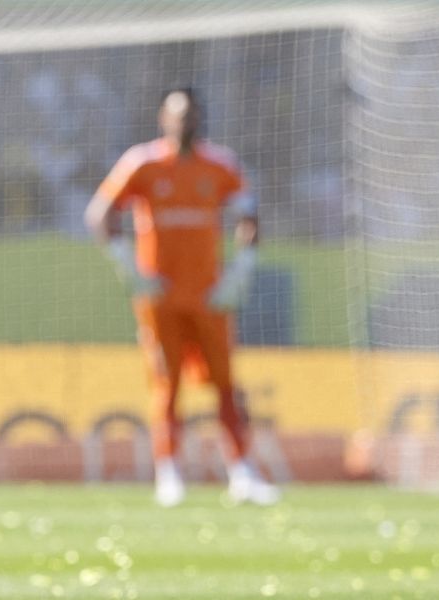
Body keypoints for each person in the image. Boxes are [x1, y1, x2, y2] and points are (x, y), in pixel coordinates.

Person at [84, 88, 278, 507]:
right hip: (161, 301)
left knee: (226, 385)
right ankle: (168, 473)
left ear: (200, 120)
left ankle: (242, 473)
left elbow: (250, 215)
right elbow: (100, 213)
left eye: (191, 116)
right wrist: (130, 268)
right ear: (163, 119)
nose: (185, 124)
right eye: (178, 116)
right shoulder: (144, 163)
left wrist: (239, 273)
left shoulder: (219, 164)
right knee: (166, 386)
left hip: (211, 299)